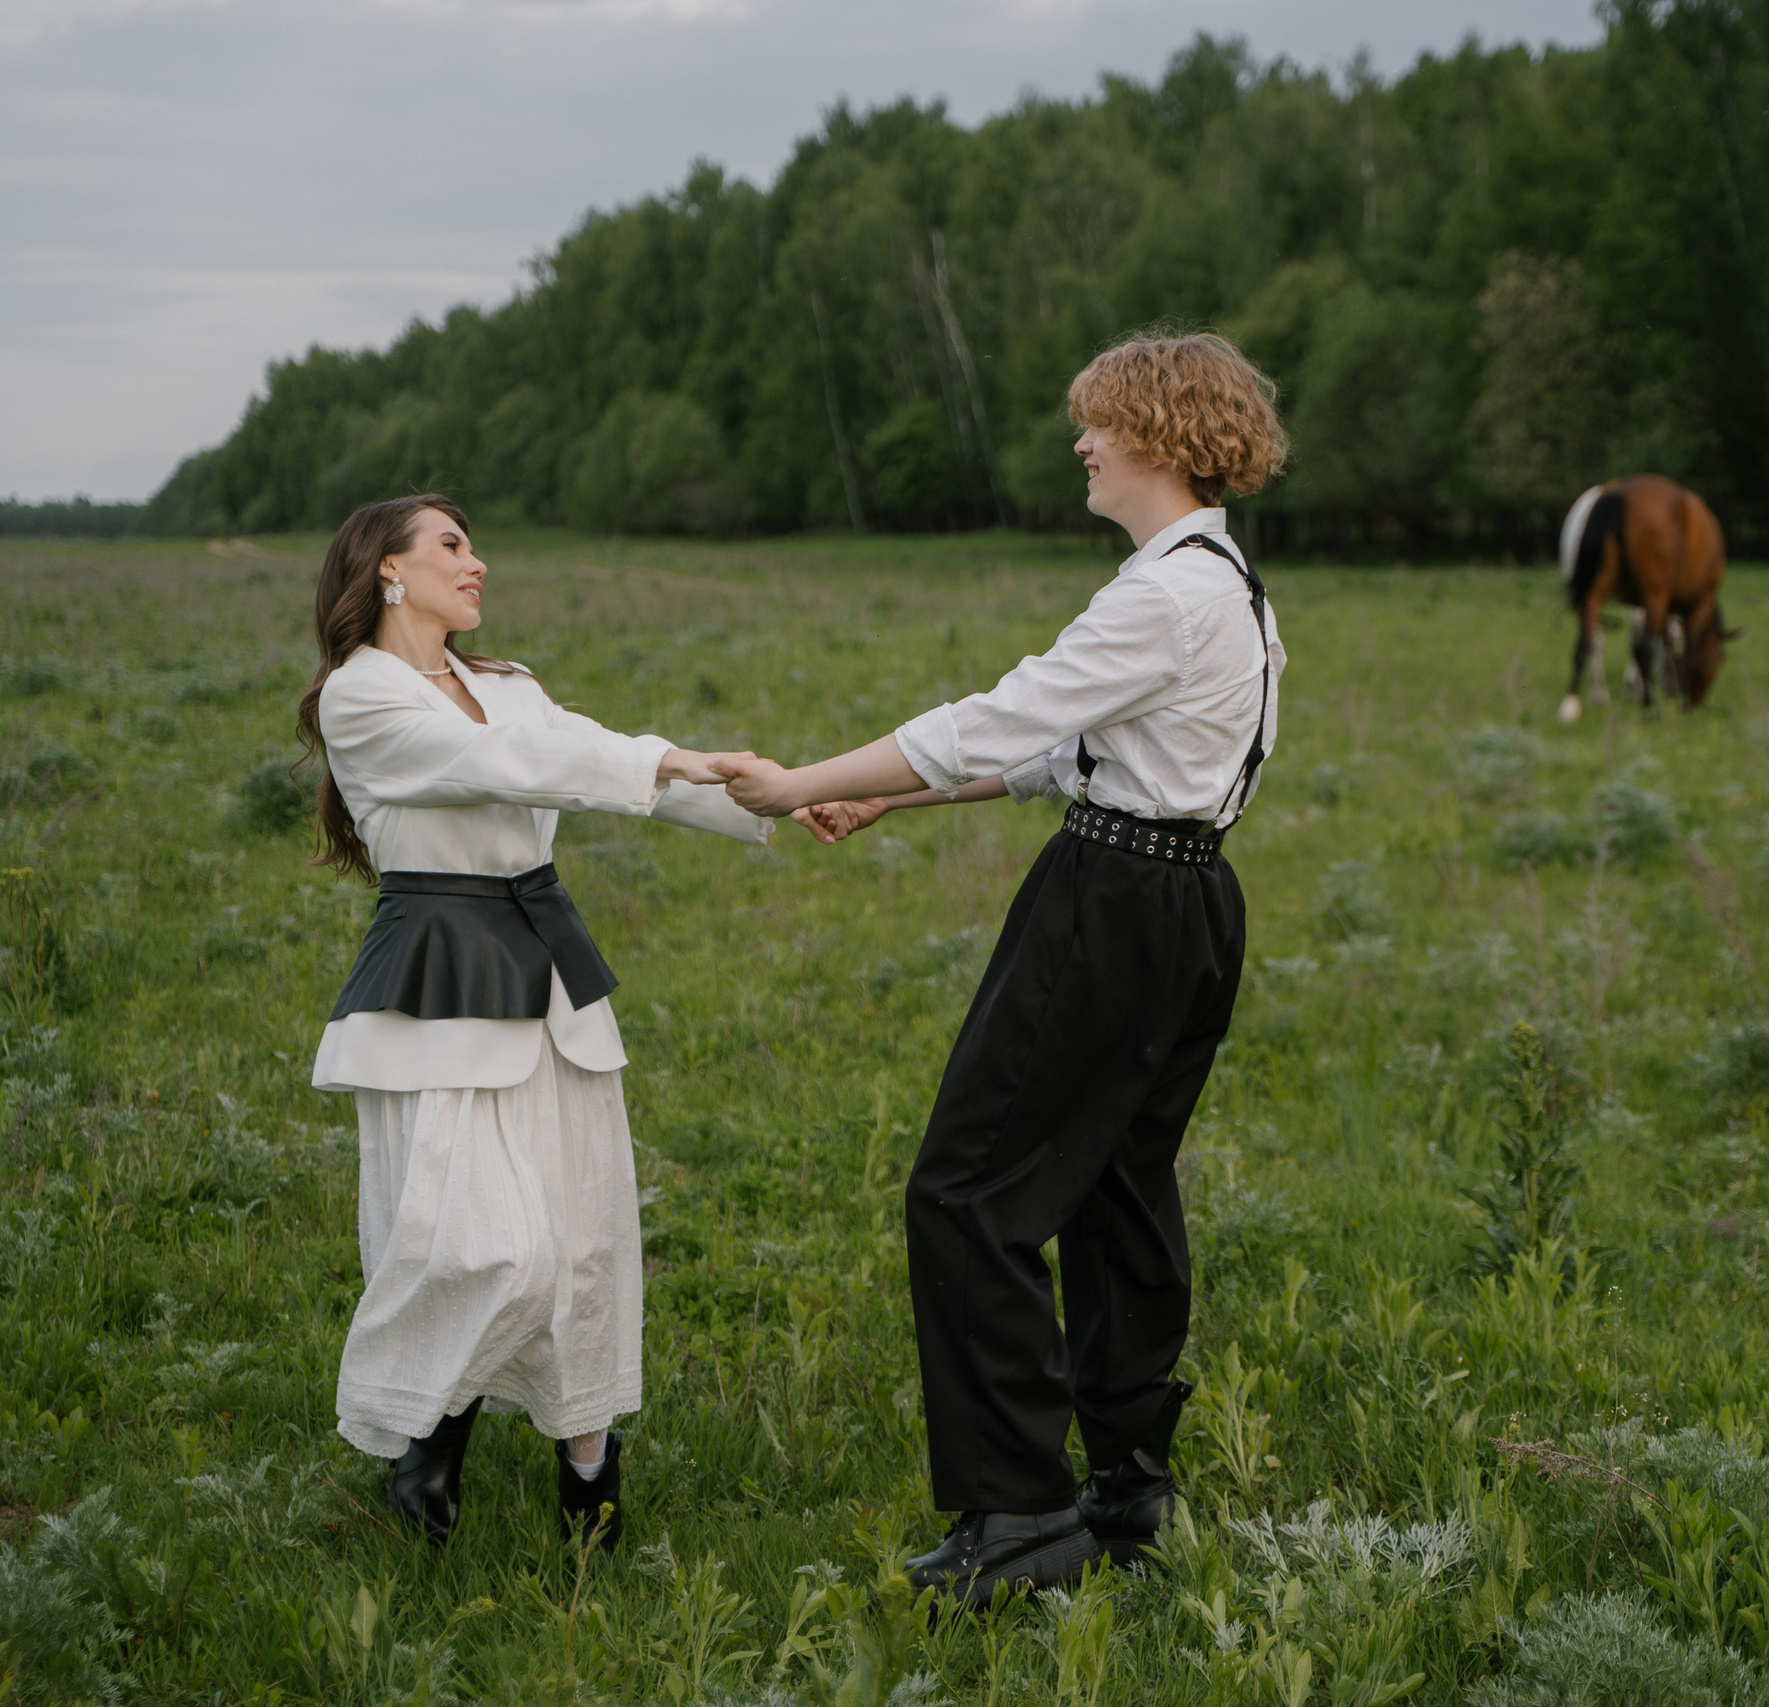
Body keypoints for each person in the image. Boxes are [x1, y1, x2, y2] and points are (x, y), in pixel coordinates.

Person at [719, 331, 1288, 1604]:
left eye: (1094, 423)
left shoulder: (1160, 592)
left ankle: (1021, 1521)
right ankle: (1128, 1487)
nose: (1080, 443)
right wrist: (890, 804)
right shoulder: (1227, 584)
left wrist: (804, 780)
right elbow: (1062, 750)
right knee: (1117, 1191)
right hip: (1190, 903)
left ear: (1153, 431)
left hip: (1108, 906)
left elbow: (998, 717)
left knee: (966, 1193)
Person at [299, 494, 767, 1551]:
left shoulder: (507, 686)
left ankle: (589, 1467)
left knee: (584, 1239)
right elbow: (505, 769)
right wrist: (666, 762)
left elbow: (576, 747)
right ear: (386, 571)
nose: (478, 565)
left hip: (549, 972)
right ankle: (428, 1424)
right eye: (453, 547)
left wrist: (776, 798)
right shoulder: (360, 699)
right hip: (437, 985)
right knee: (484, 1245)